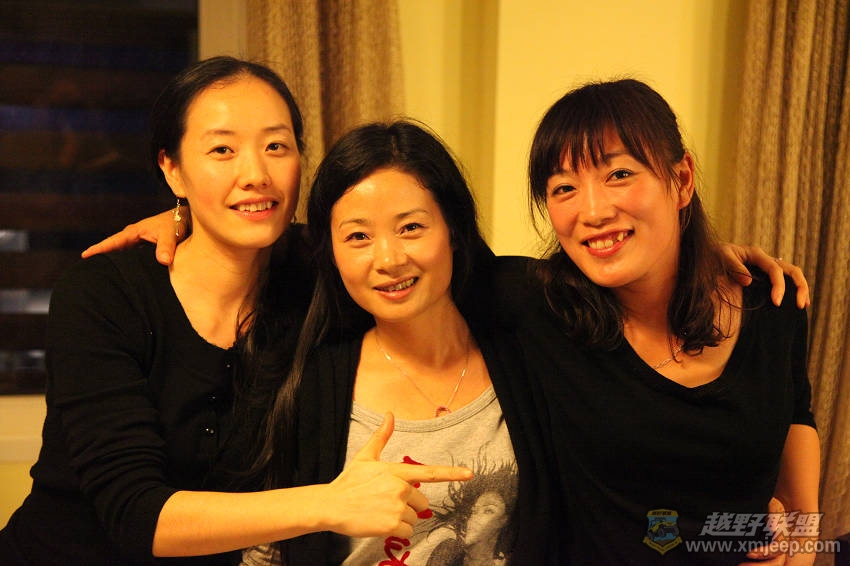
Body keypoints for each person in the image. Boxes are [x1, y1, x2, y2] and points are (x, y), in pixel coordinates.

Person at [0, 57, 470, 566]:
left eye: (276, 147)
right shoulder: (103, 295)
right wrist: (332, 504)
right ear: (172, 168)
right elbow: (136, 514)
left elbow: (457, 276)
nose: (255, 175)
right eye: (222, 150)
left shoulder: (322, 277)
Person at [512, 78, 820, 564]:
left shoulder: (772, 304)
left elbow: (801, 511)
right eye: (564, 187)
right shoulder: (538, 307)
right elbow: (426, 267)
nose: (592, 211)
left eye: (618, 174)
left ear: (682, 180)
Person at [241, 120, 556, 565]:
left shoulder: (528, 339)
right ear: (331, 254)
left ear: (454, 229)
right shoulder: (305, 382)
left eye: (410, 228)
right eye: (358, 237)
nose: (388, 259)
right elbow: (266, 552)